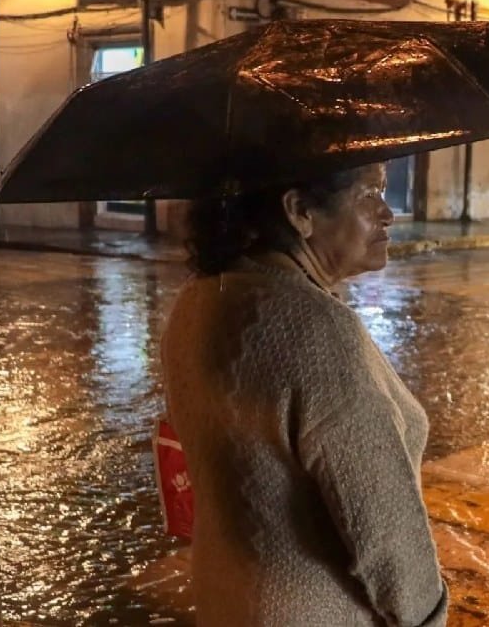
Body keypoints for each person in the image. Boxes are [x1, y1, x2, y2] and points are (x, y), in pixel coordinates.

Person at [160, 164, 449, 626]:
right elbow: (387, 534)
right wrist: (428, 617)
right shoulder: (314, 329)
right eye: (368, 194)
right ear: (300, 211)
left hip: (226, 600)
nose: (387, 213)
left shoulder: (200, 299)